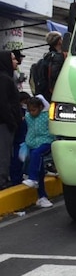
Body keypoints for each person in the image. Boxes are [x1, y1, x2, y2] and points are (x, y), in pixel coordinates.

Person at [21, 95, 54, 207]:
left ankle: (32, 178)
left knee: (37, 154)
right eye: (30, 110)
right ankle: (42, 197)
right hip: (32, 144)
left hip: (46, 142)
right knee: (39, 170)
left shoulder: (47, 116)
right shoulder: (28, 116)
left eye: (34, 110)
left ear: (41, 107)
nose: (32, 113)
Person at [0, 51, 20, 189]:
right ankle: (2, 181)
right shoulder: (4, 79)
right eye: (13, 59)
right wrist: (12, 121)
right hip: (4, 123)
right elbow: (4, 103)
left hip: (5, 121)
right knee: (4, 152)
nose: (16, 62)